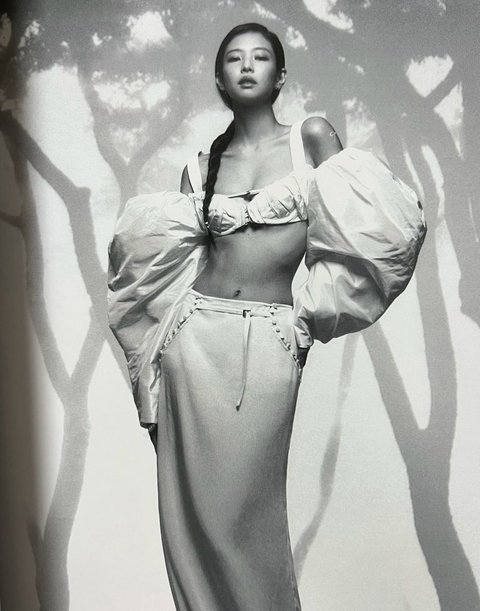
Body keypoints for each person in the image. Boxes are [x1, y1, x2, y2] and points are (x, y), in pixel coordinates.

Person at [107, 22, 426, 611]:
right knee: (194, 518)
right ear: (220, 78)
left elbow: (373, 231)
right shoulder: (200, 165)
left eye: (260, 57)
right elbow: (161, 264)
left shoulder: (311, 140)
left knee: (244, 518)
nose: (247, 65)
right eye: (234, 58)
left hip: (269, 338)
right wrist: (159, 352)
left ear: (281, 77)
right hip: (192, 340)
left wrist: (304, 321)